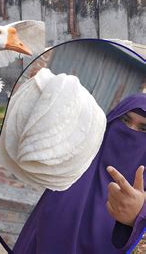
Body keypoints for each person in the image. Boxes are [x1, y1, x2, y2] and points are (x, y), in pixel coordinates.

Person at [13, 93, 146, 253]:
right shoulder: (79, 156)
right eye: (125, 120)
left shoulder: (142, 188)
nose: (129, 131)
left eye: (143, 128)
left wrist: (137, 218)